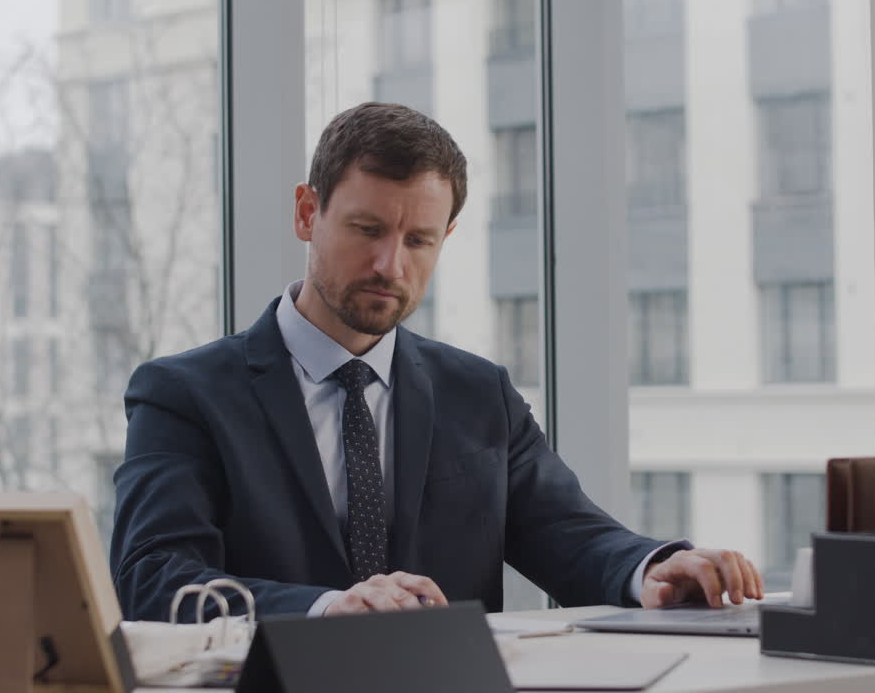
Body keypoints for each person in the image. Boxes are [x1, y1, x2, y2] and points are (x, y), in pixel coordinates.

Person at [110, 102, 763, 621]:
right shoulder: (184, 394)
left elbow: (569, 534)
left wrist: (651, 568)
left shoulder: (479, 393)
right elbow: (153, 578)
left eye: (419, 240)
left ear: (445, 236)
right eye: (367, 230)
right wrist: (329, 610)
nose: (390, 265)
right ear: (308, 213)